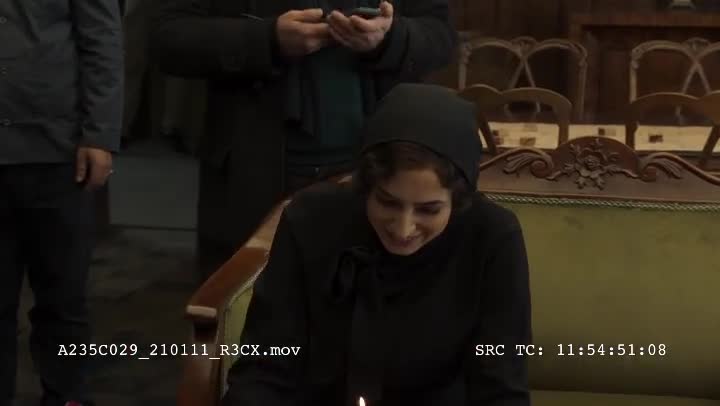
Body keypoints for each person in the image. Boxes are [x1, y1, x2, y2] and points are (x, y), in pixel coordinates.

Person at [222, 83, 532, 405]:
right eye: (387, 202)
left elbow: (501, 387)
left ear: (458, 201)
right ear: (366, 186)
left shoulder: (493, 237)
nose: (403, 229)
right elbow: (266, 365)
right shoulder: (311, 220)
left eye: (428, 210)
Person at [149, 0, 458, 277]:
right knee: (249, 310)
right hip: (253, 172)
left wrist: (390, 38)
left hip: (379, 173)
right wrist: (267, 39)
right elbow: (168, 37)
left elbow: (440, 36)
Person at [0, 0, 123, 405]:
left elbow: (101, 38)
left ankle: (68, 397)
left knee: (64, 301)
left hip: (59, 155)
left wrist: (100, 134)